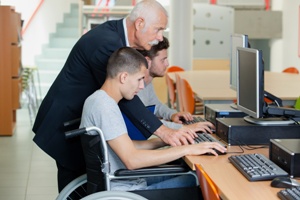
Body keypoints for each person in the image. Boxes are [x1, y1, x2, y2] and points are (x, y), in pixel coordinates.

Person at [32, 0, 198, 192]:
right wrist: (165, 132)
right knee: (75, 183)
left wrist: (171, 134)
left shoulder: (117, 40)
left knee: (88, 183)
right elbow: (128, 98)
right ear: (140, 24)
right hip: (64, 122)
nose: (160, 38)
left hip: (82, 122)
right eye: (158, 29)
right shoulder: (106, 43)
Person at [80, 47, 227, 191]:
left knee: (194, 175)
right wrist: (187, 149)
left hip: (130, 180)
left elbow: (129, 147)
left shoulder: (99, 100)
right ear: (123, 77)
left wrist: (167, 140)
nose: (142, 86)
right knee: (198, 180)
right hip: (126, 189)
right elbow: (132, 160)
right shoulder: (105, 106)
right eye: (139, 79)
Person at [137, 36, 215, 132]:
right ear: (147, 61)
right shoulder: (135, 88)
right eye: (163, 60)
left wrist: (172, 114)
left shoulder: (147, 82)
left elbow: (155, 106)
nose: (167, 64)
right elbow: (145, 121)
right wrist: (183, 128)